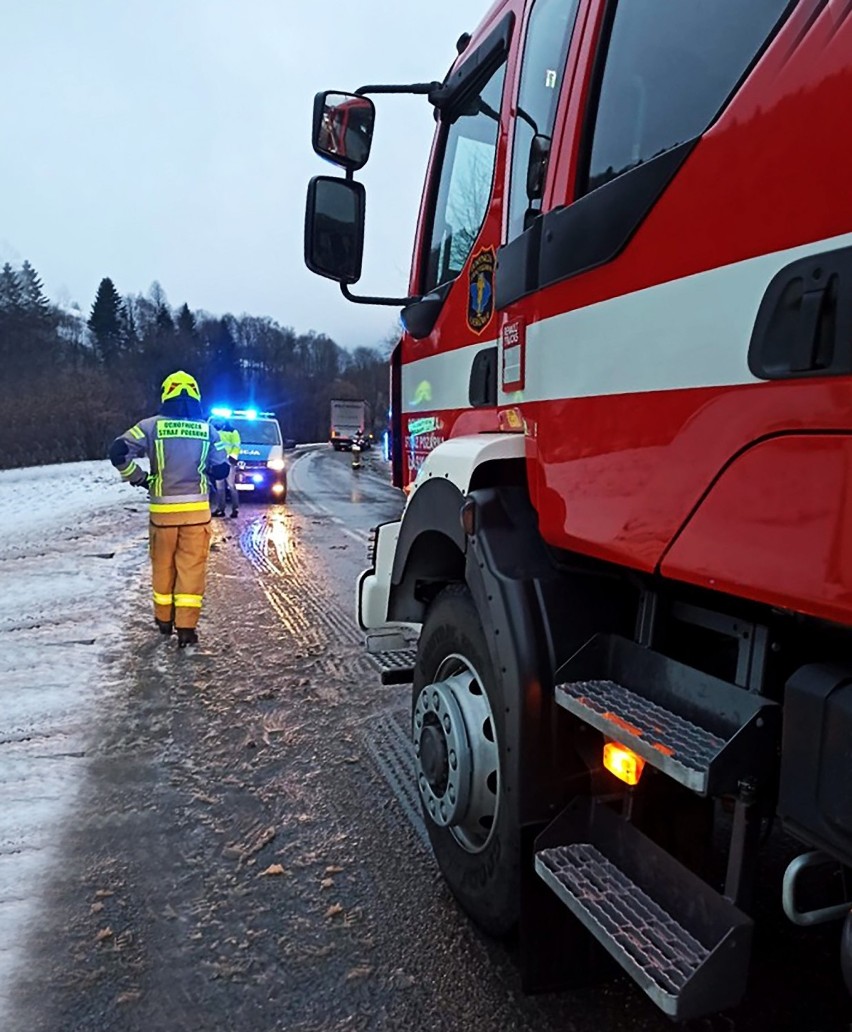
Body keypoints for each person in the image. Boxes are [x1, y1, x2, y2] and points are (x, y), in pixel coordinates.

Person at [108, 371, 230, 647]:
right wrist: (206, 469)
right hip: (197, 517)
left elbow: (117, 451)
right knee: (192, 570)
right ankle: (186, 629)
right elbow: (222, 470)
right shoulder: (207, 429)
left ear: (167, 394)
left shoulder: (150, 426)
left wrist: (139, 478)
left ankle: (164, 621)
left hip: (162, 516)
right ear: (196, 395)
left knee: (163, 567)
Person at [210, 417, 241, 518]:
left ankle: (235, 509)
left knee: (231, 486)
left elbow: (236, 446)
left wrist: (232, 458)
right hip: (219, 462)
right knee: (220, 487)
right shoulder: (215, 431)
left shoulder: (233, 432)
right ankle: (220, 509)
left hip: (228, 462)